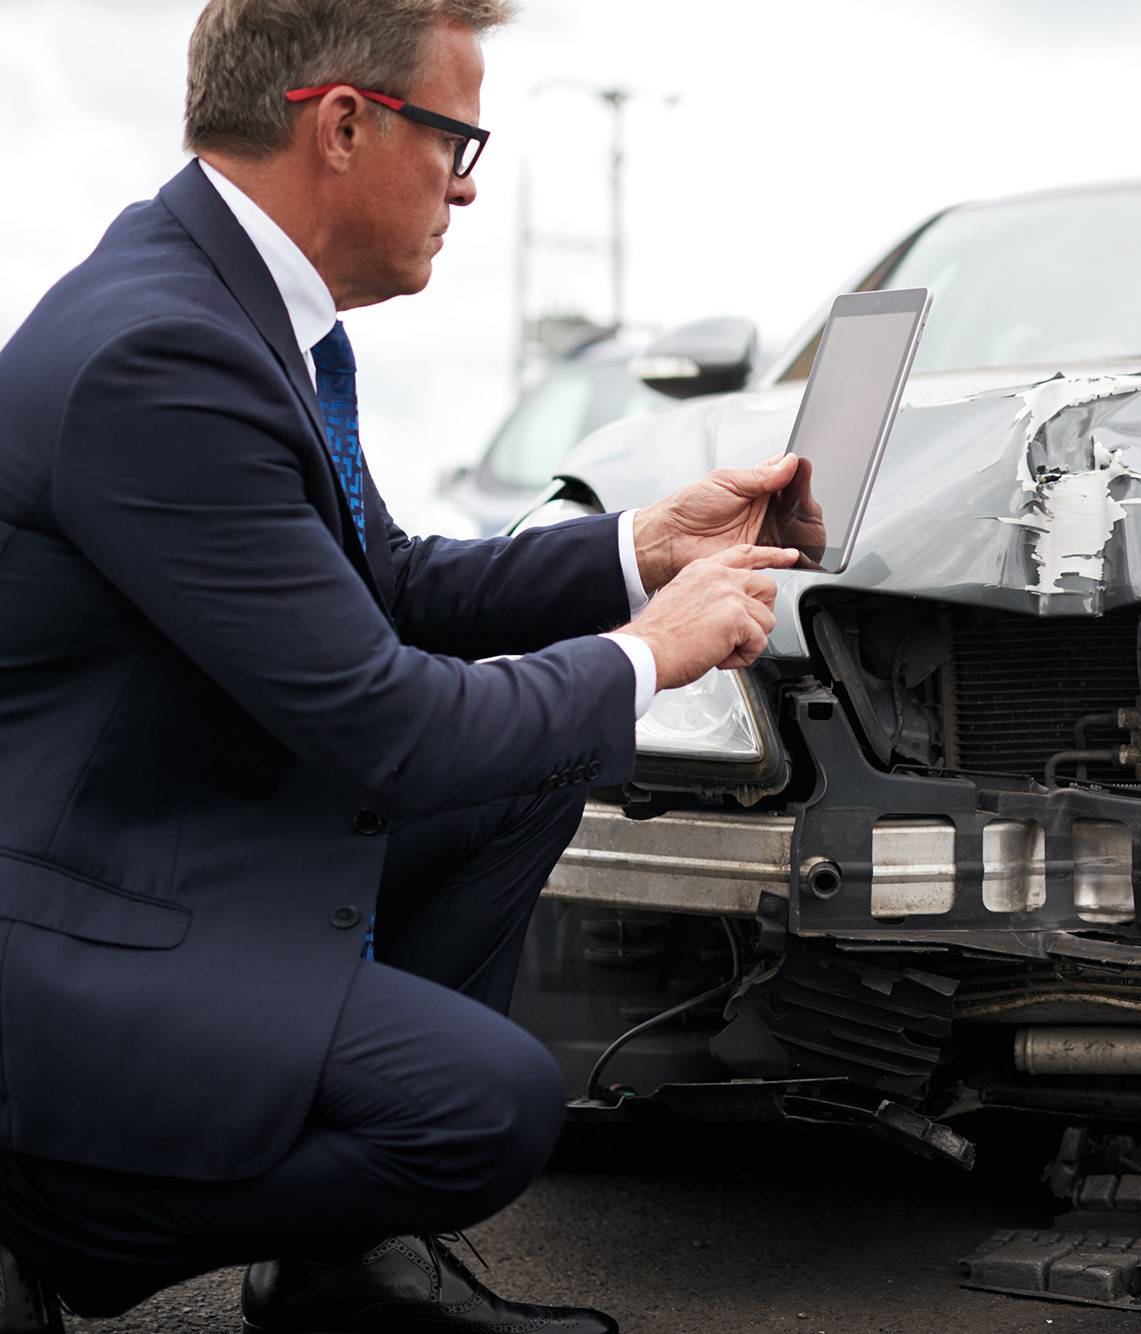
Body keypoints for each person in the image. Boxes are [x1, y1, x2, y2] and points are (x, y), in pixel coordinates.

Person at [0, 1, 809, 1329]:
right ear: (343, 125)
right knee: (488, 1111)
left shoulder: (241, 309)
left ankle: (338, 1273)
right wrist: (647, 656)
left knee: (529, 772)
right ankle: (47, 1213)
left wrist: (639, 545)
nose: (471, 184)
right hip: (81, 925)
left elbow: (393, 588)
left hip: (176, 840)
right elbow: (387, 728)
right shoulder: (166, 355)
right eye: (457, 139)